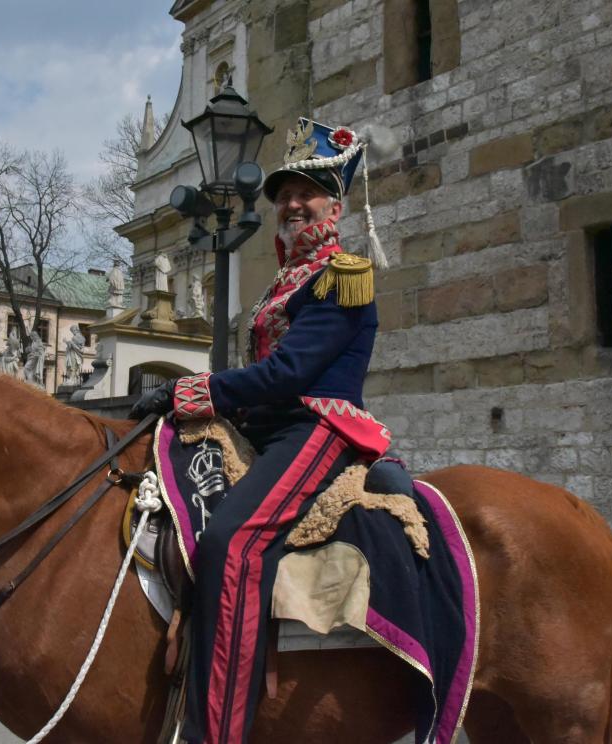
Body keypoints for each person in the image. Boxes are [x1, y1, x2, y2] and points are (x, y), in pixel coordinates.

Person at [130, 118, 410, 744]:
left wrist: (190, 391)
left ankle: (215, 732)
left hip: (317, 427)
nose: (291, 203)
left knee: (232, 543)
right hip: (265, 428)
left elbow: (289, 373)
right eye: (284, 194)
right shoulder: (283, 284)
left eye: (306, 192)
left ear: (335, 206)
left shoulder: (343, 274)